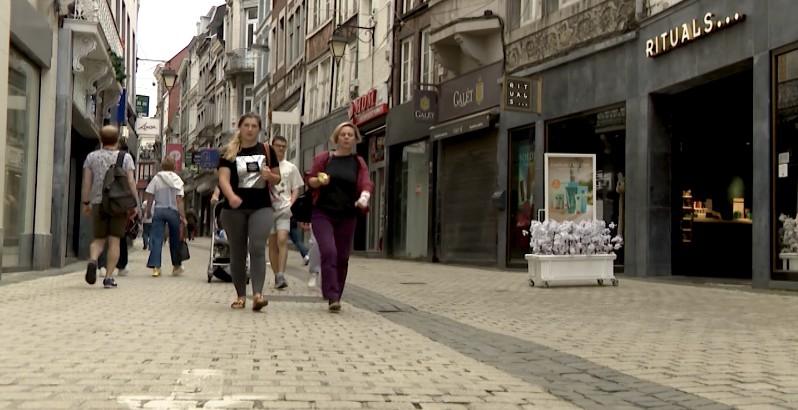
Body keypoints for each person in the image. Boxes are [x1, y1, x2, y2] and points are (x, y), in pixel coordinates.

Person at [307, 122, 373, 312]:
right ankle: (332, 296)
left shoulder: (358, 162)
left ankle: (336, 293)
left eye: (350, 135)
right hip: (322, 213)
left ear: (355, 139)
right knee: (329, 252)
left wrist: (364, 197)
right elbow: (310, 180)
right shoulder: (324, 159)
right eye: (343, 134)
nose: (346, 137)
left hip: (347, 214)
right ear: (336, 138)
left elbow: (366, 183)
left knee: (342, 257)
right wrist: (319, 180)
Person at [218, 113, 280, 311]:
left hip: (261, 206)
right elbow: (223, 180)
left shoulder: (267, 150)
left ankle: (258, 295)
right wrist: (231, 196)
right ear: (240, 127)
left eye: (254, 126)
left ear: (259, 129)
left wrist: (270, 175)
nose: (250, 129)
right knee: (237, 251)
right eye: (247, 125)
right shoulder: (229, 152)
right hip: (233, 209)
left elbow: (277, 178)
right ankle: (240, 295)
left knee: (257, 247)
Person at [80, 125, 137, 288]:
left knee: (98, 240)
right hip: (118, 204)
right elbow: (131, 182)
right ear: (117, 140)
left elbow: (86, 182)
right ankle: (109, 278)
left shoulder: (91, 157)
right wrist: (134, 204)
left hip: (98, 203)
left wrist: (86, 203)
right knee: (114, 241)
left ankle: (93, 260)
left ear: (100, 139)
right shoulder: (125, 158)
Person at [268, 135, 305, 289]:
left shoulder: (291, 167)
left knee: (282, 239)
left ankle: (281, 274)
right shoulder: (267, 166)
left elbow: (296, 187)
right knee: (272, 243)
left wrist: (292, 202)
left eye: (284, 146)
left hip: (284, 208)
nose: (281, 149)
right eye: (278, 146)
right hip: (268, 209)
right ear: (272, 147)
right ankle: (277, 275)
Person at [143, 157, 187, 277]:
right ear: (174, 166)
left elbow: (150, 196)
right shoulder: (177, 180)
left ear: (162, 166)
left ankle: (156, 267)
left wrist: (148, 211)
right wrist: (183, 217)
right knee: (175, 239)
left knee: (156, 238)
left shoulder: (156, 179)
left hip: (159, 210)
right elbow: (179, 201)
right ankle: (176, 266)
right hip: (173, 211)